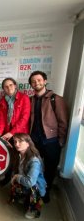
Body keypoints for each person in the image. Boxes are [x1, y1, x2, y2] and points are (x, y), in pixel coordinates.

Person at [28, 70, 68, 203]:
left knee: (50, 168)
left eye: (39, 80)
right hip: (34, 140)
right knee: (34, 166)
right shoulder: (30, 100)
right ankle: (34, 191)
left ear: (45, 81)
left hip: (51, 141)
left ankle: (46, 192)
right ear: (31, 85)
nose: (36, 83)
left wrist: (60, 141)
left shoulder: (55, 99)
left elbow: (63, 122)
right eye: (33, 81)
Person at [0, 78, 31, 186]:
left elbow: (24, 118)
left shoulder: (24, 98)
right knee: (8, 157)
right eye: (6, 86)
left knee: (21, 160)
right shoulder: (2, 101)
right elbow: (1, 120)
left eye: (10, 85)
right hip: (7, 135)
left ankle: (19, 181)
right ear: (3, 89)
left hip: (20, 135)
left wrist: (12, 132)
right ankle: (7, 177)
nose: (9, 88)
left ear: (15, 85)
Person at [10, 133, 47, 219]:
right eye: (15, 142)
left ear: (28, 143)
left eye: (20, 141)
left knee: (34, 190)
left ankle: (34, 209)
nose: (17, 144)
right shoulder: (19, 153)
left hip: (34, 185)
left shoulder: (34, 160)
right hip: (24, 180)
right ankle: (24, 197)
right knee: (16, 189)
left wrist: (16, 177)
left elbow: (31, 182)